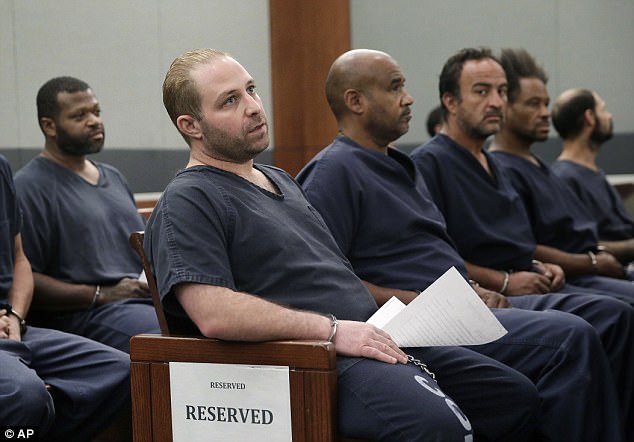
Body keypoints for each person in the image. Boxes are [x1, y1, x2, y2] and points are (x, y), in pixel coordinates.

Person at [144, 48, 547, 441]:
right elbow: (214, 313)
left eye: (251, 90)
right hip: (310, 358)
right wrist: (334, 331)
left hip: (374, 333)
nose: (252, 107)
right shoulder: (189, 198)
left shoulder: (279, 179)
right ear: (191, 126)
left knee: (514, 398)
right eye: (229, 101)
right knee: (439, 426)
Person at [297, 48, 630, 442]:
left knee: (611, 315)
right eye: (395, 87)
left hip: (461, 303)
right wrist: (424, 298)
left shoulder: (399, 165)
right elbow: (331, 284)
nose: (409, 98)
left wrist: (476, 287)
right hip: (417, 320)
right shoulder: (333, 172)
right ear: (356, 101)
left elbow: (439, 256)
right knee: (571, 339)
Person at [14, 76, 160, 353]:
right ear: (49, 126)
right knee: (168, 336)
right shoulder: (28, 187)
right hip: (86, 315)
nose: (94, 121)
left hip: (141, 301)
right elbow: (26, 277)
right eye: (79, 116)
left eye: (96, 111)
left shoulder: (113, 176)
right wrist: (101, 294)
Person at [0, 153, 132, 441]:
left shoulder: (1, 168)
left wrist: (16, 316)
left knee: (121, 371)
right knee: (26, 397)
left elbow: (20, 259)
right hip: (73, 315)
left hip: (12, 323)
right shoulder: (32, 182)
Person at [486, 49, 634, 304]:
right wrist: (593, 262)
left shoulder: (540, 166)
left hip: (593, 272)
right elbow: (526, 247)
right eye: (534, 104)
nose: (545, 113)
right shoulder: (502, 169)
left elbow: (581, 237)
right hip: (568, 279)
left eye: (546, 104)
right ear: (504, 107)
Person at [550, 88, 634, 269]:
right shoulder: (564, 178)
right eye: (603, 110)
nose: (609, 116)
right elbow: (581, 244)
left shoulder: (594, 172)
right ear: (589, 117)